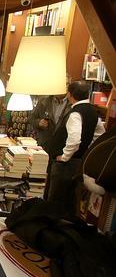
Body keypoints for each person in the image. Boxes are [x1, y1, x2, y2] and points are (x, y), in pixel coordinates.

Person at [46, 81, 105, 211]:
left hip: (66, 164)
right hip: (79, 162)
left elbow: (74, 140)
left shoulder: (75, 113)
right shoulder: (94, 112)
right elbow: (100, 136)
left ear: (70, 95)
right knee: (70, 200)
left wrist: (65, 156)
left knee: (56, 200)